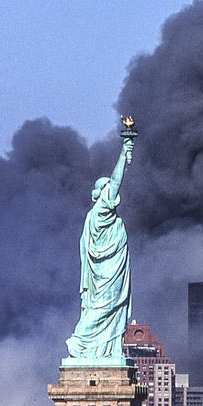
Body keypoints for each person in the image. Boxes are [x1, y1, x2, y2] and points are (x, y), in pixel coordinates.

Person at [65, 136, 135, 359]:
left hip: (110, 270)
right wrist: (123, 154)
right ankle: (79, 340)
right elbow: (116, 181)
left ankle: (106, 349)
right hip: (106, 272)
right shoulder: (100, 212)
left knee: (111, 308)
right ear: (103, 193)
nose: (114, 193)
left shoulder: (96, 216)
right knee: (104, 306)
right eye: (109, 190)